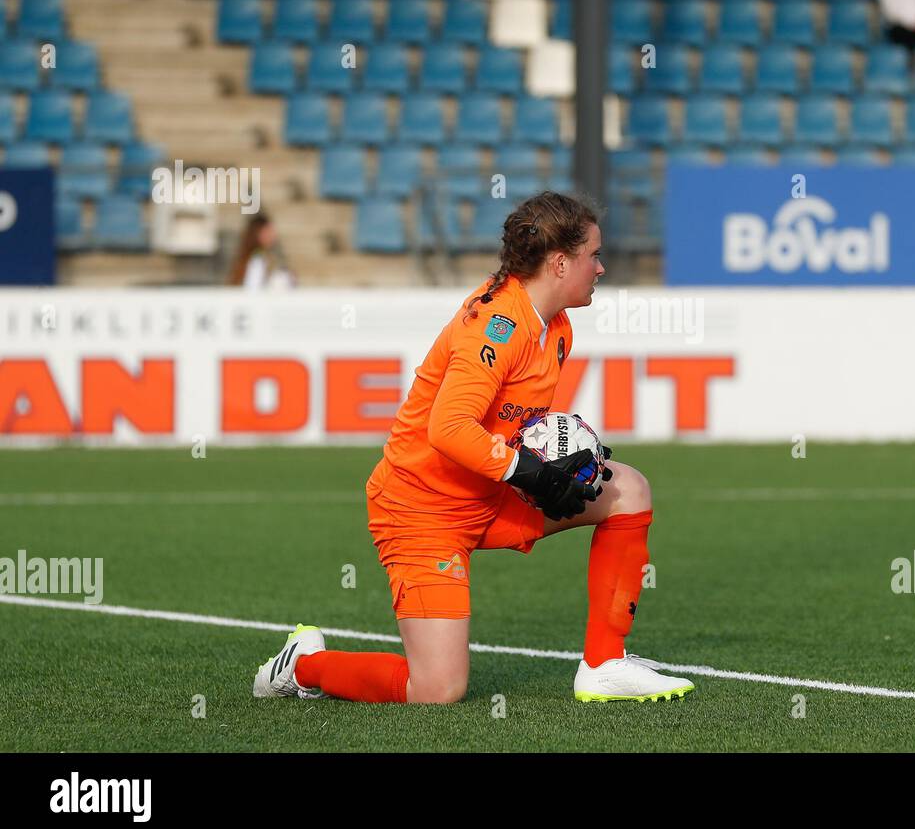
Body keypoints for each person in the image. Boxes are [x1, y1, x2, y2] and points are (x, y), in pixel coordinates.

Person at [253, 191, 694, 702]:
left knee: (628, 489)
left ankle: (604, 664)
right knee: (437, 690)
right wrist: (528, 473)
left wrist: (562, 455)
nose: (600, 267)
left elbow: (513, 421)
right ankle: (305, 666)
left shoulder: (556, 327)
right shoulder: (496, 327)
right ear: (559, 262)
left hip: (488, 492)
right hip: (421, 509)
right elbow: (449, 428)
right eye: (593, 255)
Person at [227, 214, 294, 289]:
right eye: (269, 230)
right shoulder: (257, 258)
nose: (274, 235)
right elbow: (252, 288)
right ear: (258, 233)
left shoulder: (264, 256)